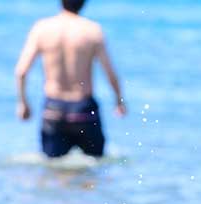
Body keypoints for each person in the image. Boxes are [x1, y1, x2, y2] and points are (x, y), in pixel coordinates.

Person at [14, 0, 127, 158]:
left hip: (54, 111)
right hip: (84, 110)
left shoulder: (42, 28)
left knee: (53, 171)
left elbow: (21, 71)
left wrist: (23, 103)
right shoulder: (92, 31)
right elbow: (110, 73)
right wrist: (119, 101)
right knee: (96, 169)